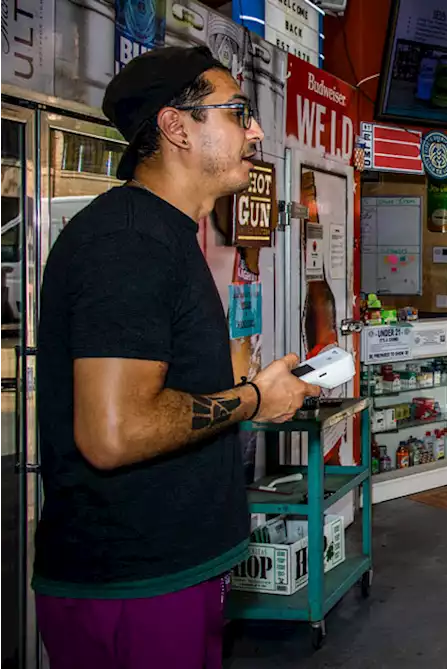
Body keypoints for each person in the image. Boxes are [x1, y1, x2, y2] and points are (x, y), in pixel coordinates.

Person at [33, 46, 320, 669]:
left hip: (170, 569)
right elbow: (116, 432)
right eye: (238, 112)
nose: (257, 130)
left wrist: (237, 377)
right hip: (135, 579)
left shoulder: (164, 235)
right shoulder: (128, 243)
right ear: (175, 126)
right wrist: (252, 399)